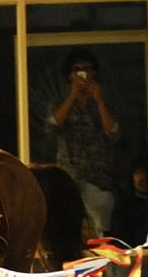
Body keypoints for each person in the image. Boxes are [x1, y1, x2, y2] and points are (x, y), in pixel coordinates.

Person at [48, 49, 121, 238]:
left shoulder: (104, 100)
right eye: (77, 70)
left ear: (94, 73)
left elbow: (112, 131)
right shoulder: (60, 101)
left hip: (98, 178)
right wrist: (72, 96)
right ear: (70, 75)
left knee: (100, 233)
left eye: (86, 69)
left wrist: (98, 100)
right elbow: (53, 125)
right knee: (70, 228)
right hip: (70, 177)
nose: (82, 74)